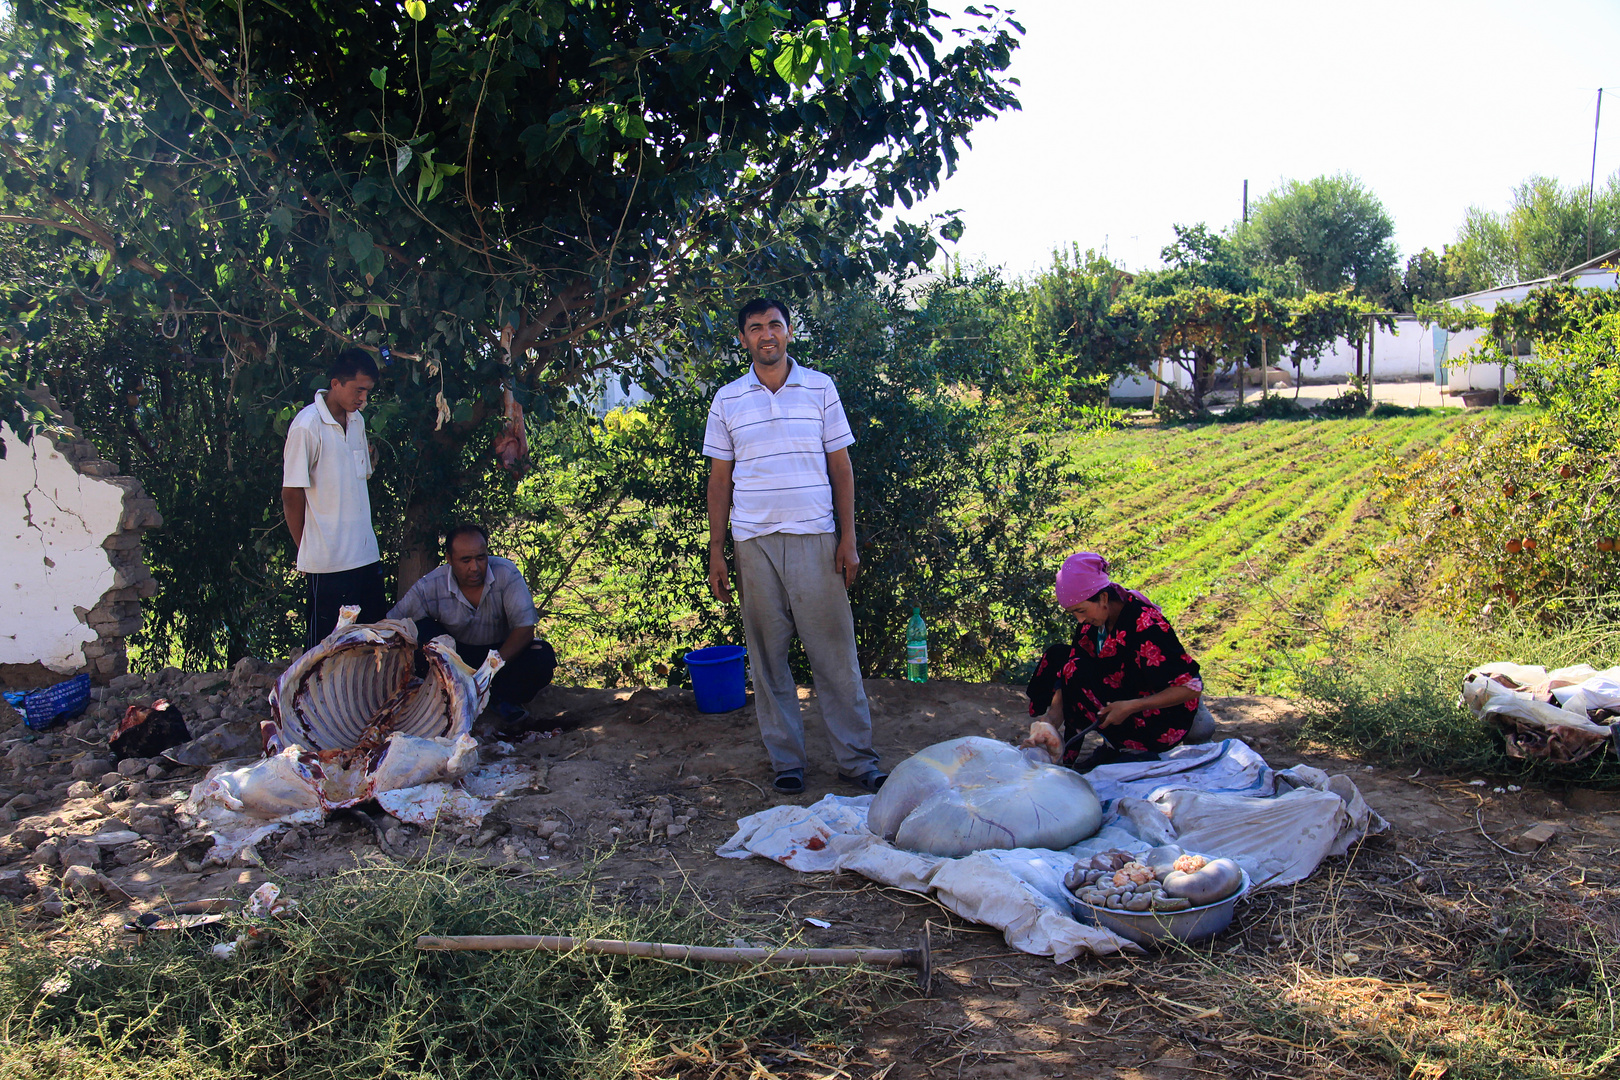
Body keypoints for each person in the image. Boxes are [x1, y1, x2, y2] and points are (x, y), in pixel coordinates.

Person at [703, 297, 885, 795]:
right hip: (753, 542)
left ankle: (857, 761)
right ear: (743, 338)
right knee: (767, 657)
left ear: (789, 332)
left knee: (835, 655)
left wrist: (848, 539)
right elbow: (720, 481)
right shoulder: (727, 400)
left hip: (815, 537)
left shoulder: (820, 389)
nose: (767, 335)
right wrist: (717, 550)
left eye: (775, 325)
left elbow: (841, 467)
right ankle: (787, 761)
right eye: (756, 327)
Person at [1026, 552, 1204, 771]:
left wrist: (1132, 706)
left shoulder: (1146, 625)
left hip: (1162, 717)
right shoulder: (1092, 626)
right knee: (1068, 663)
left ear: (1103, 598)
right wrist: (1049, 723)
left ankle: (1137, 751)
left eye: (1081, 611)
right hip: (1125, 700)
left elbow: (1191, 687)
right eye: (1073, 614)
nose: (1080, 620)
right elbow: (1070, 676)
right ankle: (1116, 746)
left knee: (1079, 669)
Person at [387, 523, 556, 722]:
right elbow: (392, 623)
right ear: (449, 559)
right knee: (419, 631)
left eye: (480, 558)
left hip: (501, 658)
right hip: (455, 659)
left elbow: (525, 629)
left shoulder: (506, 573)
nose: (474, 567)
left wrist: (488, 671)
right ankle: (444, 699)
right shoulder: (430, 585)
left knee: (541, 656)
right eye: (465, 560)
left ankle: (501, 699)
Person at [282, 348, 388, 647]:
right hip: (328, 562)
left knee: (373, 641)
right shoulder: (307, 426)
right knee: (327, 649)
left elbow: (358, 477)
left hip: (365, 554)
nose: (363, 399)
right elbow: (291, 494)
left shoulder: (357, 421)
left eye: (368, 392)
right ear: (336, 383)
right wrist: (307, 548)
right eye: (358, 390)